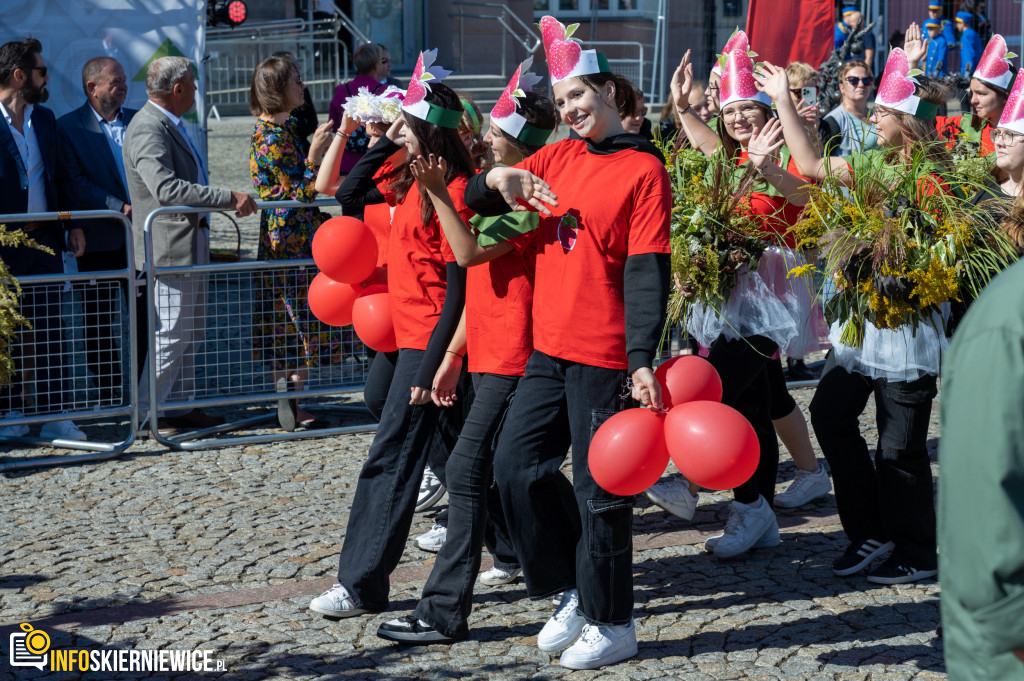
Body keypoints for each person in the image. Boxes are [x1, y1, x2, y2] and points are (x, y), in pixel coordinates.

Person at [461, 16, 671, 668]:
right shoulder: (556, 153)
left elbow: (648, 271)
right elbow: (477, 199)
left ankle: (615, 621)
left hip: (604, 353)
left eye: (579, 95)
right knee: (513, 469)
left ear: (609, 90)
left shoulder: (643, 168)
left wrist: (641, 358)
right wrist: (499, 181)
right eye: (563, 101)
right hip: (548, 349)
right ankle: (575, 589)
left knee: (600, 492)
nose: (571, 109)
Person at [374, 58, 558, 644]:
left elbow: (467, 256)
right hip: (483, 350)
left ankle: (450, 608)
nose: (480, 138)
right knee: (491, 475)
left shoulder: (529, 196)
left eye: (494, 135)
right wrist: (452, 354)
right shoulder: (492, 185)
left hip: (515, 355)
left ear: (515, 147)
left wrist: (439, 196)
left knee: (489, 472)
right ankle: (559, 578)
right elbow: (473, 289)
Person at [761, 51, 953, 584]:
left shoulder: (929, 177)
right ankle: (870, 530)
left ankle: (916, 549)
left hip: (907, 326)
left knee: (900, 446)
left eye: (882, 115)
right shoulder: (878, 164)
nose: (872, 119)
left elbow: (814, 167)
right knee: (830, 413)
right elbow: (813, 173)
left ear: (907, 122)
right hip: (865, 322)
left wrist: (783, 101)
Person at [308, 49, 475, 623]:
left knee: (390, 460)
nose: (392, 123)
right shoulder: (408, 175)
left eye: (404, 120)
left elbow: (460, 284)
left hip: (431, 342)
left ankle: (360, 583)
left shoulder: (451, 189)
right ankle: (516, 549)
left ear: (427, 129)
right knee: (472, 459)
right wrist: (389, 139)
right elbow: (348, 193)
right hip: (410, 338)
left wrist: (432, 365)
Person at [661, 41, 822, 555]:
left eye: (745, 110)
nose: (735, 120)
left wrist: (764, 166)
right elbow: (710, 146)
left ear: (765, 108)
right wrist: (684, 107)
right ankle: (758, 513)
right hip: (733, 293)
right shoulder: (732, 155)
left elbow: (804, 196)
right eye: (728, 112)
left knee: (716, 389)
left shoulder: (793, 146)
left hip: (770, 299)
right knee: (753, 405)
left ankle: (694, 487)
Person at [123, 56, 257, 437]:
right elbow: (165, 189)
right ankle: (150, 411)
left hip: (186, 245)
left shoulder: (166, 123)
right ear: (177, 89)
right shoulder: (149, 127)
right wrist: (226, 197)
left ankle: (179, 405)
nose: (197, 91)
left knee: (190, 331)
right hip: (169, 248)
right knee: (172, 333)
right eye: (193, 85)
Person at [0, 37, 87, 441]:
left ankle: (56, 414)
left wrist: (73, 225)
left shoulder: (46, 119)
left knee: (51, 327)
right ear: (20, 76)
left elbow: (61, 176)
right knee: (5, 331)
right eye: (40, 71)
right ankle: (10, 412)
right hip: (4, 246)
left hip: (46, 242)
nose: (46, 77)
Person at [248, 56, 335, 431]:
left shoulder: (285, 130)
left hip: (297, 238)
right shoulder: (268, 137)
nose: (302, 86)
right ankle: (291, 400)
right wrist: (315, 156)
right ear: (277, 90)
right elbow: (300, 193)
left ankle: (294, 397)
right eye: (295, 81)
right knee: (290, 318)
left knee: (297, 318)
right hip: (288, 242)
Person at [57, 56, 138, 409]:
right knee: (99, 320)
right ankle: (108, 394)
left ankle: (143, 390)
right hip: (101, 238)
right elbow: (74, 182)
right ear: (93, 88)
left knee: (146, 316)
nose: (122, 86)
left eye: (123, 81)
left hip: (144, 239)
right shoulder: (68, 128)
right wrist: (118, 208)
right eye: (115, 81)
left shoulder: (139, 120)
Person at [908, 28, 1014, 155]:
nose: (973, 100)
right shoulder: (965, 127)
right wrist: (912, 66)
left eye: (981, 93)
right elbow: (922, 122)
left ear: (1004, 96)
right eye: (972, 93)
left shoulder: (1019, 137)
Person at [327, 42, 392, 176]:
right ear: (376, 65)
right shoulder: (385, 92)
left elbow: (333, 126)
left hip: (345, 161)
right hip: (375, 162)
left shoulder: (340, 90)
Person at [822, 60, 879, 156]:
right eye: (853, 80)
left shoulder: (877, 115)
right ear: (841, 87)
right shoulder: (833, 122)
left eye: (866, 80)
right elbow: (823, 163)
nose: (861, 85)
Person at [270, 51, 319, 154]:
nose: (300, 67)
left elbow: (312, 122)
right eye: (295, 65)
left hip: (302, 145)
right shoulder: (274, 138)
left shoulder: (302, 90)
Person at [956, 12, 983, 76]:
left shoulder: (966, 36)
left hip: (970, 72)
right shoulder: (973, 33)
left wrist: (967, 71)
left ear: (963, 23)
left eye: (958, 23)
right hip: (977, 70)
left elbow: (969, 54)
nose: (956, 25)